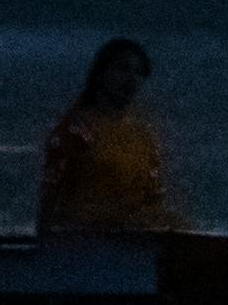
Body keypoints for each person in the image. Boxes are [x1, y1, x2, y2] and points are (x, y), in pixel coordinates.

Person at [32, 36, 186, 236]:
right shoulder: (77, 129)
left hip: (131, 241)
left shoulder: (142, 136)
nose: (131, 79)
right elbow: (49, 195)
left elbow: (153, 198)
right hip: (82, 241)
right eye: (122, 68)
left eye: (138, 72)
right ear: (100, 73)